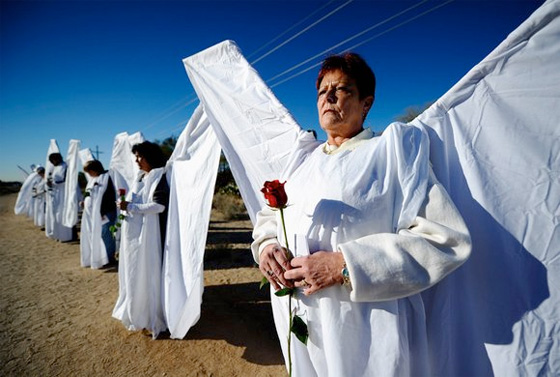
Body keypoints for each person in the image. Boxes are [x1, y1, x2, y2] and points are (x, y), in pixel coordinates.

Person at [251, 53, 472, 376]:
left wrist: (344, 266)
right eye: (322, 91)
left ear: (366, 103)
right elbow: (270, 220)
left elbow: (445, 240)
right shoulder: (302, 162)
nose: (327, 97)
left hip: (368, 330)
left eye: (341, 89)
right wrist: (268, 246)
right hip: (304, 325)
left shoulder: (391, 152)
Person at [112, 141, 170, 338]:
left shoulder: (159, 177)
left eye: (140, 156)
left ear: (150, 157)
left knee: (147, 274)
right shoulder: (140, 178)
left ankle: (150, 316)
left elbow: (158, 206)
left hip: (148, 239)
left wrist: (130, 207)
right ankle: (137, 311)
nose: (136, 160)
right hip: (134, 239)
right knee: (134, 273)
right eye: (135, 156)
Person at [80, 160, 117, 269]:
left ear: (94, 169)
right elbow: (88, 192)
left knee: (107, 235)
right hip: (93, 215)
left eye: (89, 171)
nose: (89, 174)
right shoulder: (92, 179)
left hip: (105, 213)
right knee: (97, 235)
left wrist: (102, 212)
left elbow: (109, 197)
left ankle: (109, 258)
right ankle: (101, 257)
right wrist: (84, 200)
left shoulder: (107, 177)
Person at [45, 153, 73, 242]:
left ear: (56, 159)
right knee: (55, 215)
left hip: (63, 194)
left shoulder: (65, 167)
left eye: (52, 161)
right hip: (55, 194)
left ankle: (66, 236)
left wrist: (55, 183)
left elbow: (67, 180)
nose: (52, 163)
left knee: (62, 214)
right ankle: (58, 234)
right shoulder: (55, 168)